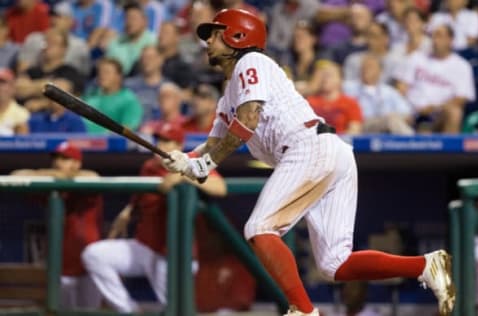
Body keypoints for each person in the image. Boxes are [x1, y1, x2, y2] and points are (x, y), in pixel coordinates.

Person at [162, 9, 455, 316]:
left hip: (307, 148)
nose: (208, 40)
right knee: (334, 264)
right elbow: (213, 143)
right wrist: (187, 159)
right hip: (327, 152)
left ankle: (303, 311)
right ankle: (426, 265)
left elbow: (247, 121)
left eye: (216, 32)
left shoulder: (251, 62)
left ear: (238, 36)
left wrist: (205, 164)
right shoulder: (227, 96)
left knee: (260, 228)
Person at [81, 122, 227, 312]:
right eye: (159, 140)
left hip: (173, 255)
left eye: (168, 141)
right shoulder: (149, 166)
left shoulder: (192, 163)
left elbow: (221, 188)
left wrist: (183, 176)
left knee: (176, 309)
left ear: (179, 145)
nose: (161, 145)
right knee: (95, 255)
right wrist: (128, 210)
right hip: (145, 246)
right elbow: (140, 199)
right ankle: (130, 310)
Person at [11, 141, 103, 309]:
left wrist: (62, 176)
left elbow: (93, 177)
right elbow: (16, 175)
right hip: (62, 269)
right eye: (57, 158)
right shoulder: (50, 186)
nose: (58, 162)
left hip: (89, 268)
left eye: (65, 158)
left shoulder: (86, 179)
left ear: (77, 163)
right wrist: (53, 175)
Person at [394, 23, 475, 133]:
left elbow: (460, 99)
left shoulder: (462, 66)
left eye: (439, 36)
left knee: (455, 112)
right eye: (433, 36)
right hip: (411, 113)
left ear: (450, 40)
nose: (435, 40)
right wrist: (408, 109)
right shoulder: (416, 57)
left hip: (438, 116)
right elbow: (401, 88)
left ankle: (450, 150)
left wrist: (434, 108)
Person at [343, 54, 413, 135]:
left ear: (380, 71)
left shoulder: (388, 91)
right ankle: (414, 143)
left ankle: (412, 142)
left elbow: (407, 114)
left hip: (386, 124)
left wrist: (393, 117)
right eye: (363, 67)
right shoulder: (348, 87)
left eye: (370, 67)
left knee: (392, 119)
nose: (366, 70)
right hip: (361, 124)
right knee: (391, 120)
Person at [82, 58, 143, 134]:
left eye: (106, 72)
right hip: (80, 139)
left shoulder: (129, 100)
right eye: (100, 72)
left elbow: (128, 128)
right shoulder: (91, 94)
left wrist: (107, 135)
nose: (101, 75)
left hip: (108, 143)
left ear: (119, 76)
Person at [306, 60, 363, 134]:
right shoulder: (310, 102)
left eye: (329, 75)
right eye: (323, 76)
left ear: (340, 79)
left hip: (341, 142)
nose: (325, 79)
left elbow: (354, 130)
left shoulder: (350, 103)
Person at [0, 68, 29, 136]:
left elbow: (23, 142)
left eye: (3, 83)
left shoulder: (21, 113)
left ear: (12, 87)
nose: (0, 87)